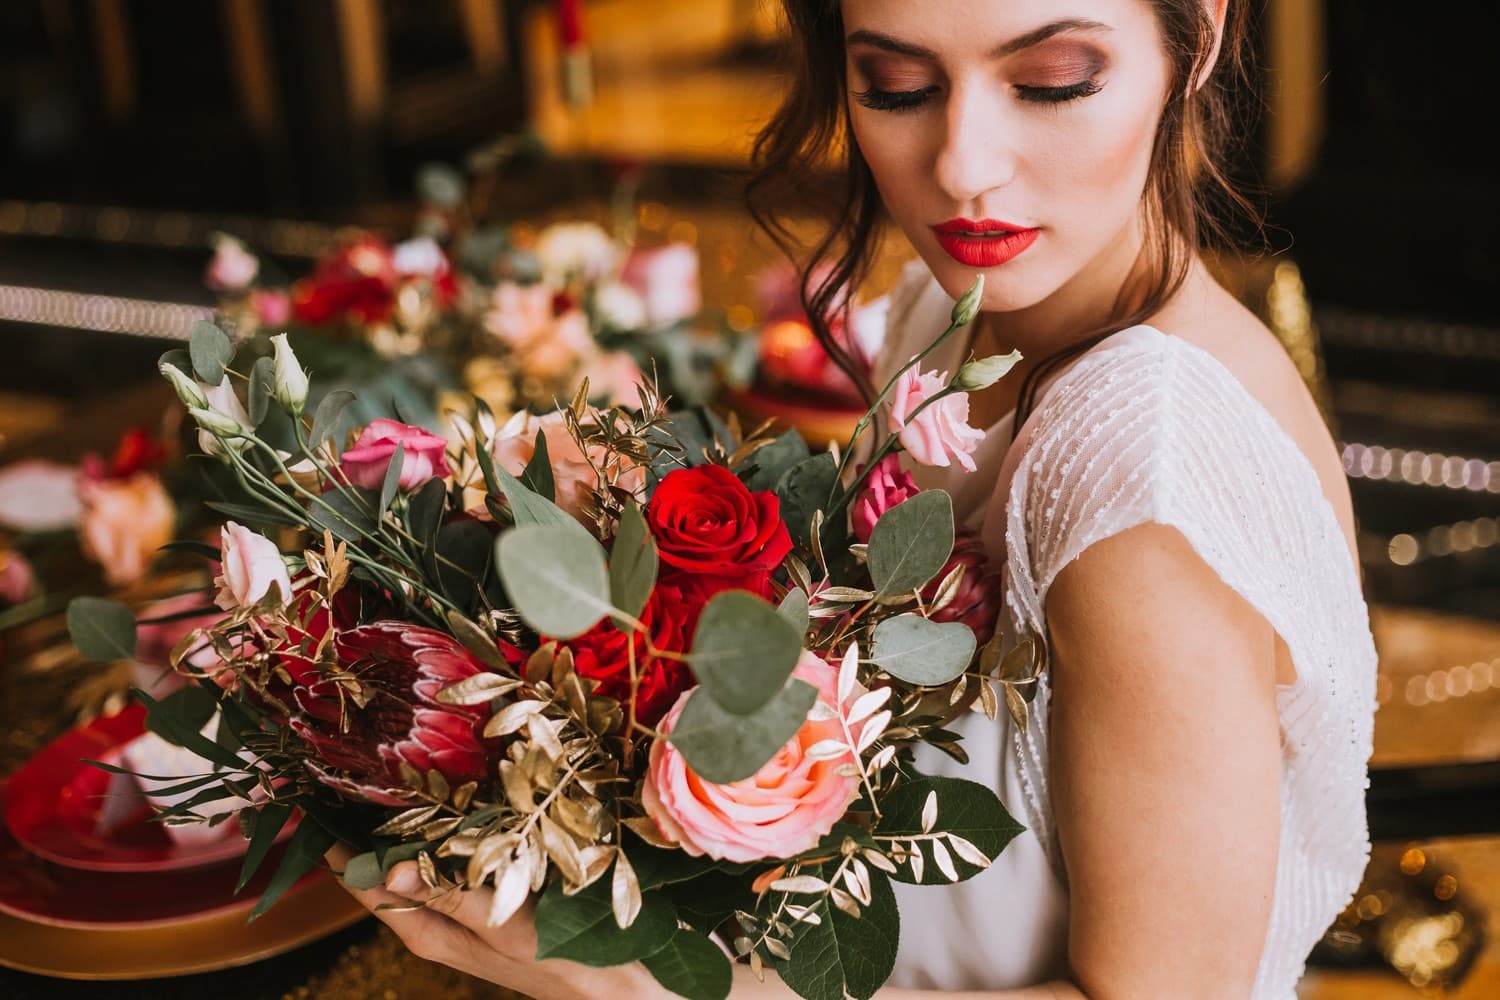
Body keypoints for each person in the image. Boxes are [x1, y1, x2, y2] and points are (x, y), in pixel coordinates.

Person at [329, 2, 1377, 996]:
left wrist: (643, 981)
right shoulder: (957, 310)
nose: (964, 167)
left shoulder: (1143, 473)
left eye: (1053, 82)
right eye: (897, 84)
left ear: (1200, 36)